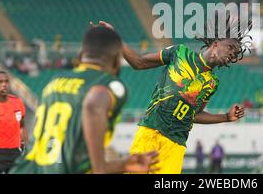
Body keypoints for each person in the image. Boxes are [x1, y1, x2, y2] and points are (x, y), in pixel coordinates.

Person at [92, 13, 250, 174]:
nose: (232, 54)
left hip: (176, 144)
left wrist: (225, 117)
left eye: (235, 54)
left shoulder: (212, 83)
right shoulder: (180, 53)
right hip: (151, 130)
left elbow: (194, 115)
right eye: (230, 47)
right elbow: (138, 63)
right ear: (216, 44)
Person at [10, 26, 158, 174]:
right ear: (116, 58)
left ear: (81, 54)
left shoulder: (54, 83)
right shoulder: (109, 84)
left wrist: (123, 165)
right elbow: (94, 103)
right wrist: (102, 168)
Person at [0, 71, 28, 174]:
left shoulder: (17, 102)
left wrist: (24, 146)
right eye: (0, 82)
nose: (4, 84)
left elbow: (22, 126)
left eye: (6, 81)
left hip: (15, 153)